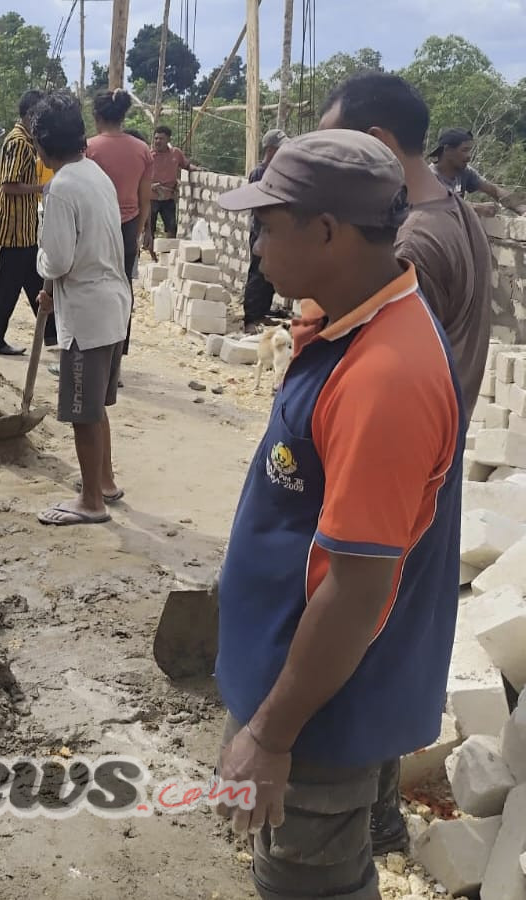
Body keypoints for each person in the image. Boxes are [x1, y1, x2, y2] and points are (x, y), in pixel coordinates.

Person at [212, 130, 463, 900]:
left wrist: (272, 734)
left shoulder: (385, 376)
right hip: (298, 684)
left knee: (307, 883)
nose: (254, 247)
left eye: (266, 224)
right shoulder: (348, 323)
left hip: (320, 711)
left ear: (327, 231)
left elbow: (355, 593)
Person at [320, 72, 495, 853]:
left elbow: (384, 374)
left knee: (366, 631)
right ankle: (378, 809)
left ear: (382, 146)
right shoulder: (451, 210)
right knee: (392, 631)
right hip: (431, 462)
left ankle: (364, 819)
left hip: (402, 470)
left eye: (338, 148)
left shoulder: (413, 241)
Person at [31, 91, 132, 526]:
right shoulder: (96, 174)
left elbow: (57, 260)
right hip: (112, 304)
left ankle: (91, 501)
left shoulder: (60, 188)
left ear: (42, 143)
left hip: (87, 315)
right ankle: (105, 481)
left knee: (82, 412)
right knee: (97, 405)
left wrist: (44, 268)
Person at [0, 89, 57, 355]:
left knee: (34, 282)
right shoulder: (20, 143)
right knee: (8, 289)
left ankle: (53, 335)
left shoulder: (23, 141)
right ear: (30, 116)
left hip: (23, 228)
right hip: (15, 228)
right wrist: (42, 188)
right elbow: (9, 185)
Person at [86, 88, 152, 352]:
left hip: (97, 226)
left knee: (91, 286)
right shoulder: (142, 150)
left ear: (97, 116)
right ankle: (117, 352)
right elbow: (144, 199)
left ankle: (91, 351)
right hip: (128, 226)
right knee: (122, 288)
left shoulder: (89, 148)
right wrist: (139, 231)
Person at [242, 129, 289, 334]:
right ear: (270, 150)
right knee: (257, 272)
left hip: (275, 231)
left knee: (270, 273)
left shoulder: (279, 172)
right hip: (261, 230)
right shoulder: (259, 173)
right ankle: (250, 318)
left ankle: (262, 313)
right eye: (280, 149)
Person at [429, 128, 526, 215]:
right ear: (447, 150)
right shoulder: (428, 177)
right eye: (464, 150)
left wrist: (519, 207)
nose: (469, 156)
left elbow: (494, 190)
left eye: (470, 150)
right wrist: (475, 208)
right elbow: (438, 208)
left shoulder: (464, 171)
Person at [146, 124, 198, 258]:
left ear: (168, 139)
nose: (158, 141)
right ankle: (152, 256)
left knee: (171, 227)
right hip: (151, 198)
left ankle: (168, 254)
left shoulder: (176, 154)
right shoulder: (149, 155)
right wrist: (150, 185)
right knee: (149, 228)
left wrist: (196, 170)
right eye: (156, 138)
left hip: (168, 198)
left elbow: (186, 165)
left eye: (161, 139)